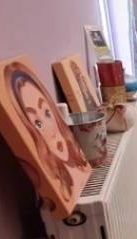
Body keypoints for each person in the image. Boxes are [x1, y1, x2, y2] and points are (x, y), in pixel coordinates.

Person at [6, 62, 89, 205]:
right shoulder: (54, 180)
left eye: (47, 113)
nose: (51, 131)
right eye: (38, 124)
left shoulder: (79, 166)